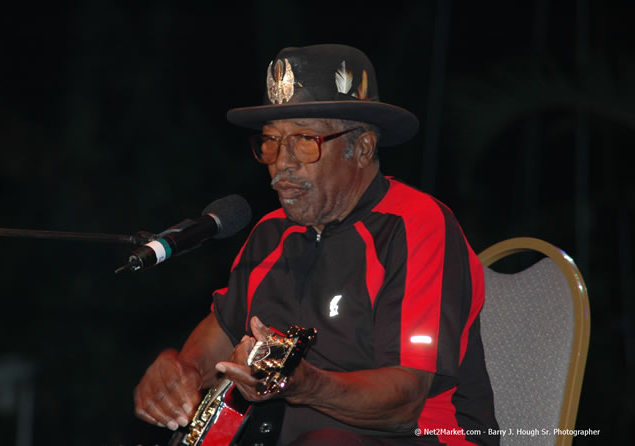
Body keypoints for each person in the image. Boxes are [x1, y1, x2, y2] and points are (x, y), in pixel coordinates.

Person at [134, 44, 499, 445]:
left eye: (304, 141)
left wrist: (304, 385)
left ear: (361, 149)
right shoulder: (270, 233)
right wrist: (182, 372)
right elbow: (221, 330)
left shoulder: (416, 225)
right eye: (271, 142)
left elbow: (405, 398)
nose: (281, 162)